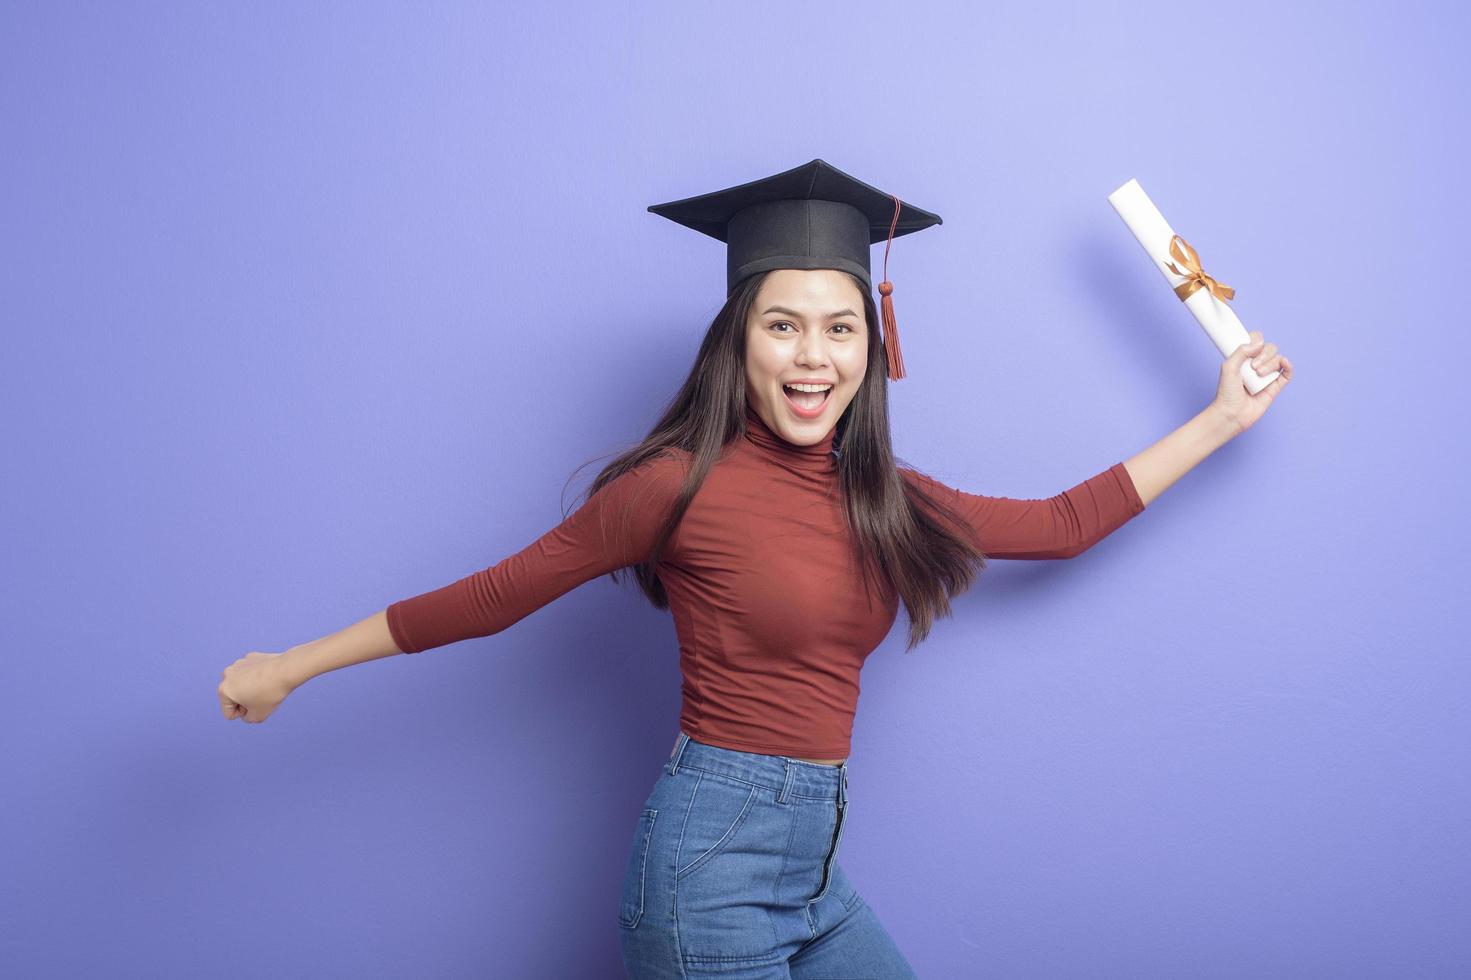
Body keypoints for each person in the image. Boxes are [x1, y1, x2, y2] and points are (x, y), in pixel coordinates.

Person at [217, 159, 1293, 978]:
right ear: (739, 337)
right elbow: (491, 598)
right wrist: (289, 664)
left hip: (811, 874)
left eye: (838, 327)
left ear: (873, 343)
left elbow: (1058, 523)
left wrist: (1220, 419)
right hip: (707, 871)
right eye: (781, 325)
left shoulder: (885, 494)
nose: (812, 355)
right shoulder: (670, 486)